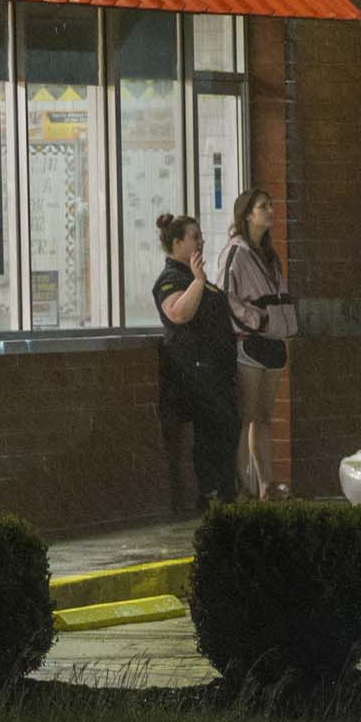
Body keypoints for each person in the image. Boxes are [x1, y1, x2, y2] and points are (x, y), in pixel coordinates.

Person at [151, 213, 240, 512]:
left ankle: (228, 490)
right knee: (212, 430)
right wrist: (199, 281)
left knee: (228, 426)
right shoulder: (171, 280)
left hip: (218, 369)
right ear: (177, 243)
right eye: (194, 237)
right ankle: (210, 492)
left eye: (201, 236)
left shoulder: (194, 277)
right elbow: (179, 313)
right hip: (195, 370)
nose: (201, 241)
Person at [216, 189, 295, 500]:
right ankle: (238, 484)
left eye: (270, 205)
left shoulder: (269, 255)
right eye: (263, 206)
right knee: (246, 414)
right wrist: (256, 320)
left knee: (263, 415)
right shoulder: (236, 252)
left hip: (273, 340)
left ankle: (265, 484)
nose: (270, 211)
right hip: (250, 341)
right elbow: (226, 296)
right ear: (247, 214)